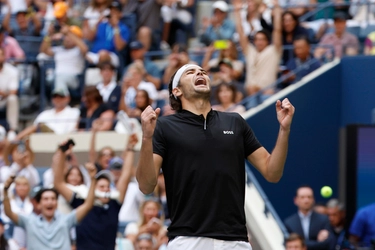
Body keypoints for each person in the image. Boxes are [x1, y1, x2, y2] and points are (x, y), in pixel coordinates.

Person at [136, 64, 295, 249]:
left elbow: (272, 172)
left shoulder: (235, 121)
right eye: (190, 72)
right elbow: (146, 185)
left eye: (202, 71)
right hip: (187, 240)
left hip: (235, 241)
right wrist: (147, 138)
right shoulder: (163, 127)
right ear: (176, 91)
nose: (199, 73)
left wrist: (284, 130)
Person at [54, 134, 138, 250]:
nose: (105, 189)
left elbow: (125, 175)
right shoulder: (81, 202)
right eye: (101, 186)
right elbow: (58, 183)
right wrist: (62, 153)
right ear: (94, 188)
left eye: (107, 186)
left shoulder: (114, 204)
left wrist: (131, 148)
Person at [2, 156, 97, 250]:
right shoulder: (29, 221)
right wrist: (6, 191)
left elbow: (88, 205)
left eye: (53, 199)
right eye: (46, 199)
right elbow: (8, 213)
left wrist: (93, 179)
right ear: (38, 204)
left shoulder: (66, 220)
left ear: (56, 203)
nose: (49, 202)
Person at [234, 0, 282, 96]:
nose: (259, 42)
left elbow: (277, 30)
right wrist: (237, 13)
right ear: (254, 41)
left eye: (262, 39)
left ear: (267, 41)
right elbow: (241, 33)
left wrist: (277, 10)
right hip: (250, 94)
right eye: (257, 39)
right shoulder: (250, 51)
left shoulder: (273, 50)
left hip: (267, 94)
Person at [16, 87, 80, 139]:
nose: (58, 99)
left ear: (67, 98)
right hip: (45, 140)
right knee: (36, 127)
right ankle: (15, 141)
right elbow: (34, 127)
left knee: (40, 125)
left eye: (61, 97)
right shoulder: (45, 114)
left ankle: (15, 140)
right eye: (55, 97)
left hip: (64, 139)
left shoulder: (74, 112)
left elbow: (74, 130)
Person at [40, 24, 87, 92]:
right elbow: (43, 50)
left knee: (60, 78)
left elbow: (84, 49)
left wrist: (68, 32)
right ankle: (61, 98)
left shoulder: (78, 50)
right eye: (66, 36)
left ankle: (60, 100)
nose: (67, 38)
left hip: (74, 79)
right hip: (56, 76)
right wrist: (49, 35)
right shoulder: (59, 49)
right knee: (52, 78)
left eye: (70, 36)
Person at [284, 186, 333, 250]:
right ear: (296, 200)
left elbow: (327, 243)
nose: (306, 200)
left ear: (313, 199)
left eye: (309, 197)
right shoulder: (289, 222)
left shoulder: (324, 219)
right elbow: (287, 244)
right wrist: (316, 243)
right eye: (302, 197)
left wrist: (300, 245)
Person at [86, 1, 130, 67]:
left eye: (115, 11)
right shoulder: (102, 25)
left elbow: (119, 47)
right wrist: (97, 22)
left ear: (120, 14)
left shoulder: (123, 28)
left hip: (112, 56)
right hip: (95, 54)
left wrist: (116, 27)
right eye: (111, 11)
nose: (112, 13)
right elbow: (89, 38)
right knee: (81, 53)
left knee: (103, 54)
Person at [0, 47, 19, 134]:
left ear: (4, 57)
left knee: (13, 98)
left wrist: (3, 93)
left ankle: (12, 130)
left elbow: (13, 91)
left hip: (4, 100)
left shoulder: (12, 70)